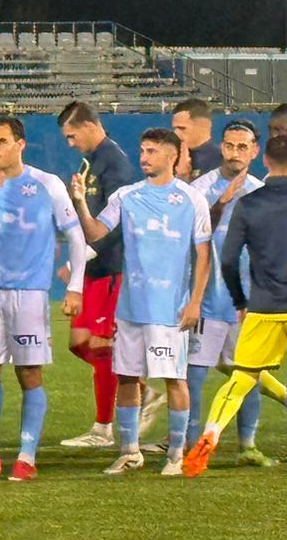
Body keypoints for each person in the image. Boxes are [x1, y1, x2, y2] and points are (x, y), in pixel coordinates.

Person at [183, 131, 287, 479]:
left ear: (265, 160)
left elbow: (228, 260)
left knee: (242, 377)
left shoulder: (247, 204)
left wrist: (240, 301)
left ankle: (210, 434)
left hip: (262, 306)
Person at [70, 126, 211, 476]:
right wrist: (81, 204)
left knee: (174, 379)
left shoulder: (191, 199)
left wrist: (195, 302)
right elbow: (96, 233)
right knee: (127, 377)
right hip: (131, 308)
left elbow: (203, 255)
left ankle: (175, 455)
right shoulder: (126, 196)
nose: (144, 157)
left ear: (171, 155)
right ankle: (130, 451)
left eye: (151, 151)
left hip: (170, 310)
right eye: (143, 150)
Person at [0, 115, 86, 482]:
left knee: (29, 372)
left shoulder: (47, 184)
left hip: (30, 293)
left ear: (20, 144)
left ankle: (26, 457)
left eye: (0, 141)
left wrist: (75, 286)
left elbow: (75, 237)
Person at [185, 118, 274, 465]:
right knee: (194, 376)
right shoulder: (200, 189)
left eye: (242, 146)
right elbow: (192, 239)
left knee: (247, 374)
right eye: (229, 145)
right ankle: (189, 446)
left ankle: (247, 446)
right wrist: (220, 203)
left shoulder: (261, 192)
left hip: (248, 303)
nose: (235, 152)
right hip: (208, 300)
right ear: (221, 147)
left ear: (254, 150)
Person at [57, 101, 139, 450]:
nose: (70, 143)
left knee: (100, 346)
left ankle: (103, 429)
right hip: (92, 268)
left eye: (72, 135)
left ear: (90, 126)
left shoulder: (115, 163)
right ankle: (138, 388)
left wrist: (85, 257)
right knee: (79, 343)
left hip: (110, 268)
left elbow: (118, 222)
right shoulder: (90, 162)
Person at [171, 96, 222, 178]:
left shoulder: (223, 161)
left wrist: (183, 176)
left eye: (182, 128)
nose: (176, 133)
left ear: (202, 126)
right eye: (175, 128)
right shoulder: (171, 158)